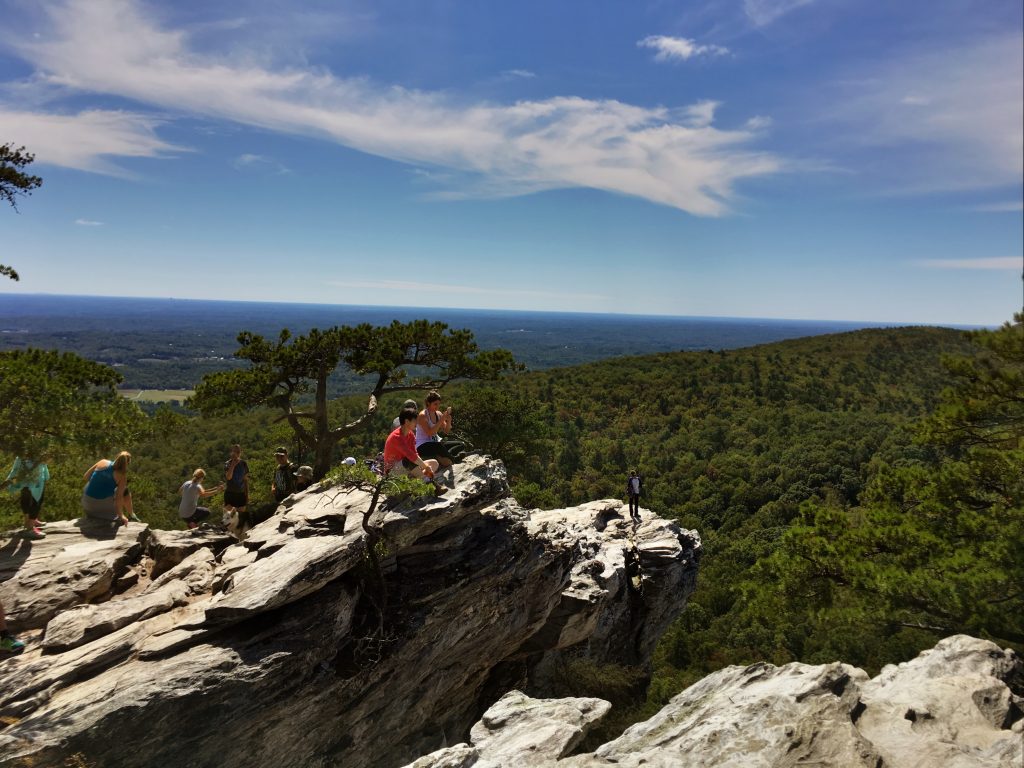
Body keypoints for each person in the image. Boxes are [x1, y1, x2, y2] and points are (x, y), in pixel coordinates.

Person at [384, 408, 445, 494]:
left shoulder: (410, 435)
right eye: (414, 420)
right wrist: (425, 467)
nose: (416, 423)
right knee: (410, 460)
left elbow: (415, 453)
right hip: (392, 472)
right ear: (407, 421)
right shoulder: (396, 437)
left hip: (405, 469)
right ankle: (432, 485)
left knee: (434, 463)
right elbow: (410, 456)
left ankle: (415, 481)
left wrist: (424, 467)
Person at [82, 451, 133, 526]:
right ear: (127, 463)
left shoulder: (102, 462)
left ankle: (131, 513)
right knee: (124, 491)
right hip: (103, 510)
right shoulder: (122, 476)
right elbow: (119, 498)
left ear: (117, 457)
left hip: (87, 505)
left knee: (88, 485)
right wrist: (121, 515)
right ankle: (132, 514)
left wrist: (100, 481)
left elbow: (85, 477)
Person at [4, 456, 49, 540]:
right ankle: (30, 529)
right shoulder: (35, 451)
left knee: (27, 500)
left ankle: (29, 522)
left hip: (26, 479)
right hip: (34, 480)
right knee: (36, 501)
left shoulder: (22, 453)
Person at [416, 391, 456, 469]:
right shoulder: (422, 416)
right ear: (428, 403)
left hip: (435, 443)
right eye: (435, 404)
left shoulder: (438, 414)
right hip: (422, 446)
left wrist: (449, 421)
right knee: (439, 446)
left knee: (460, 444)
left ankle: (441, 457)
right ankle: (454, 459)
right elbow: (430, 433)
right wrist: (441, 420)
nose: (437, 407)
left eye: (438, 404)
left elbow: (446, 431)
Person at [223, 444, 250, 528]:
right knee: (228, 517)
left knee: (241, 516)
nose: (236, 453)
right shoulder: (228, 463)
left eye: (238, 452)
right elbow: (228, 477)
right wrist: (233, 465)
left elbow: (245, 480)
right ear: (231, 452)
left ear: (240, 453)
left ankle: (241, 534)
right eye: (234, 451)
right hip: (230, 494)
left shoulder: (244, 464)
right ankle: (228, 535)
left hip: (241, 494)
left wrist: (247, 494)